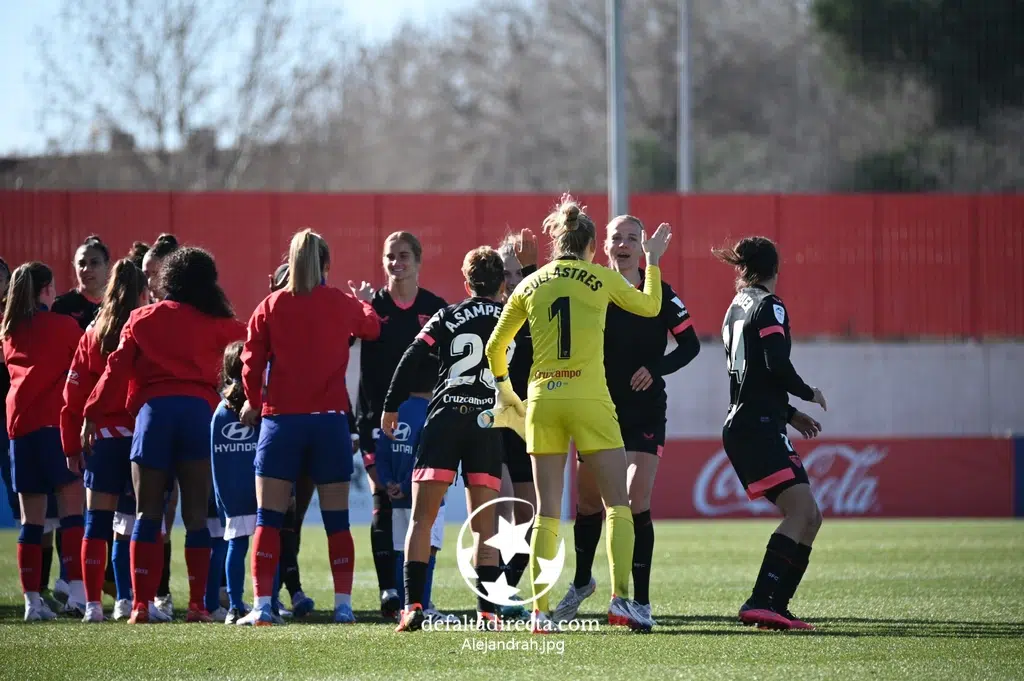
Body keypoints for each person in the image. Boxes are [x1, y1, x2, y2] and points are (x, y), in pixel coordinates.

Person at [484, 196, 672, 633]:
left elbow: (496, 348)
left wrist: (508, 394)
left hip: (543, 401)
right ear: (591, 246)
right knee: (617, 506)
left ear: (557, 242)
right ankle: (621, 600)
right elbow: (649, 307)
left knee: (548, 512)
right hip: (591, 401)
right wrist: (654, 262)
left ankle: (540, 611)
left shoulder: (529, 284)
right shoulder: (600, 277)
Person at [554, 215, 701, 626]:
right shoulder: (593, 288)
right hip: (597, 408)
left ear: (643, 247)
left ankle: (640, 602)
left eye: (631, 238)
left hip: (644, 412)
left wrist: (656, 368)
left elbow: (690, 345)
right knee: (587, 503)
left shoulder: (661, 293)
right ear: (603, 246)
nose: (623, 243)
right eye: (616, 237)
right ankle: (583, 582)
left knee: (634, 500)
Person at [85, 247, 245, 624]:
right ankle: (198, 606)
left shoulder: (141, 319)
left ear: (168, 280)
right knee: (196, 518)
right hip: (198, 418)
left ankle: (140, 605)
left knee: (147, 513)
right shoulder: (222, 323)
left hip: (153, 418)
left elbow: (114, 371)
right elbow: (250, 352)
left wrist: (91, 412)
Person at [239, 229, 380, 626]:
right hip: (329, 424)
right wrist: (363, 303)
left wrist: (253, 399)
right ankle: (344, 607)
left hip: (281, 421)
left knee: (268, 519)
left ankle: (262, 606)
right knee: (338, 521)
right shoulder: (340, 303)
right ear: (326, 265)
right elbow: (372, 327)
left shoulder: (269, 305)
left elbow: (250, 360)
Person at [384, 247, 508, 632]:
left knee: (421, 520)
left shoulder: (447, 314)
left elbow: (411, 355)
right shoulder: (512, 317)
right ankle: (488, 612)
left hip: (445, 419)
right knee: (484, 526)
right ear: (503, 283)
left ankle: (413, 606)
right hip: (487, 422)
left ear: (466, 282)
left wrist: (391, 405)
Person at [713, 236, 827, 631]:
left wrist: (789, 412)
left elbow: (754, 376)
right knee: (802, 512)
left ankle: (776, 605)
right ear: (776, 269)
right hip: (757, 426)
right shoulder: (769, 305)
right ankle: (762, 600)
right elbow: (775, 363)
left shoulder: (735, 308)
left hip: (754, 422)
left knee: (810, 515)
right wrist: (805, 392)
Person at [354, 231, 446, 618]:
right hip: (378, 420)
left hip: (424, 422)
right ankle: (389, 592)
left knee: (424, 506)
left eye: (404, 255)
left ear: (418, 261)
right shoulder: (370, 307)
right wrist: (355, 312)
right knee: (384, 500)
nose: (397, 262)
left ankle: (419, 593)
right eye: (390, 256)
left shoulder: (435, 308)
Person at [60, 259, 150, 622]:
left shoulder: (93, 331)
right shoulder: (146, 329)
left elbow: (72, 394)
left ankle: (94, 605)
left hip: (101, 439)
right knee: (129, 525)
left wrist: (70, 446)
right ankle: (128, 601)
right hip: (139, 439)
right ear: (142, 291)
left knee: (96, 523)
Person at [2, 261, 87, 621]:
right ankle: (79, 594)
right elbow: (83, 369)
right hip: (56, 424)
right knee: (72, 514)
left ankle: (32, 602)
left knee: (30, 521)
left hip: (20, 429)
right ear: (47, 289)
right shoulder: (66, 326)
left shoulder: (9, 330)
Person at [266, 263, 318, 619]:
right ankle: (274, 593)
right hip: (275, 431)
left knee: (293, 520)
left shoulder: (315, 329)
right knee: (272, 518)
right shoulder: (263, 323)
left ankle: (290, 588)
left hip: (311, 433)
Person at [493, 229, 538, 618]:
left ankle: (505, 589)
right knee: (498, 506)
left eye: (516, 272)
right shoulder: (485, 312)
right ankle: (491, 596)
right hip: (491, 423)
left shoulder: (536, 310)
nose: (510, 280)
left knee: (528, 515)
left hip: (527, 422)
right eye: (504, 272)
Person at [139, 232, 180, 617]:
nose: (148, 281)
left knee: (202, 510)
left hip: (190, 421)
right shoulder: (138, 316)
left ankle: (211, 594)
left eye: (154, 273)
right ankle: (148, 593)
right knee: (153, 509)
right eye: (145, 273)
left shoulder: (203, 312)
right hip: (146, 423)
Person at [211, 341, 262, 625]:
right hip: (259, 491)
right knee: (265, 544)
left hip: (232, 493)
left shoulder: (220, 412)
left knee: (236, 545)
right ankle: (266, 602)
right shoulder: (259, 409)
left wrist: (221, 497)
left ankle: (233, 607)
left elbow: (215, 459)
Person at [53, 235, 111, 330]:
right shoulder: (61, 306)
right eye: (81, 264)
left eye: (94, 263)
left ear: (107, 265)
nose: (87, 269)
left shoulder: (117, 305)